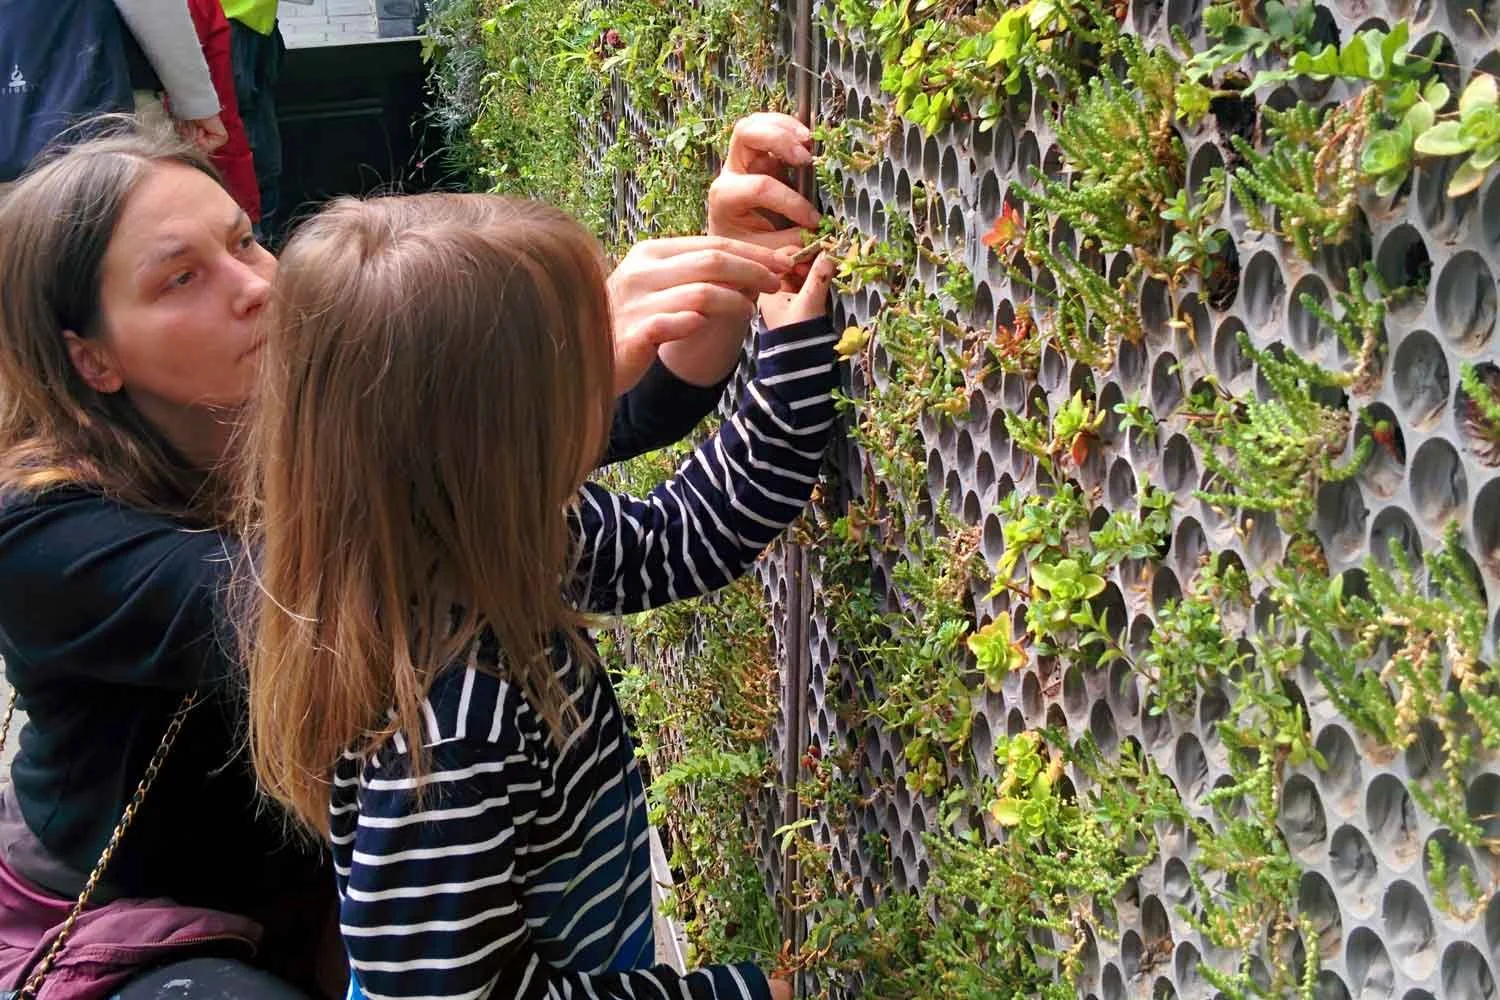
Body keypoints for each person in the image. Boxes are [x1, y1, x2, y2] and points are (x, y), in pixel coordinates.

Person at [0, 112, 818, 998]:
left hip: (383, 901)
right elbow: (320, 584)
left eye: (243, 240)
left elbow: (636, 497)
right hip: (143, 921)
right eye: (181, 278)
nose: (256, 287)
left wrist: (738, 290)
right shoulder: (41, 534)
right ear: (91, 359)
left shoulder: (421, 494)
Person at [242, 192, 836, 1000]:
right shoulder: (444, 745)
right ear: (498, 438)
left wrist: (787, 355)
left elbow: (685, 538)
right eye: (584, 357)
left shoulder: (495, 539)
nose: (616, 361)